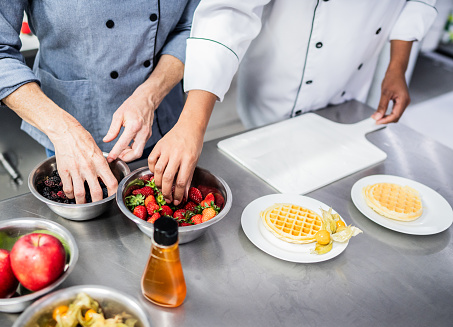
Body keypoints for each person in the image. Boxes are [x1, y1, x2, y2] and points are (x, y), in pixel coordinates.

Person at [148, 0, 437, 205]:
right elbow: (229, 13)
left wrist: (397, 65)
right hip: (278, 74)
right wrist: (192, 123)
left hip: (352, 74)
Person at [0, 0, 199, 203]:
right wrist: (64, 130)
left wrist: (151, 94)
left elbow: (193, 27)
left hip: (165, 122)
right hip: (67, 125)